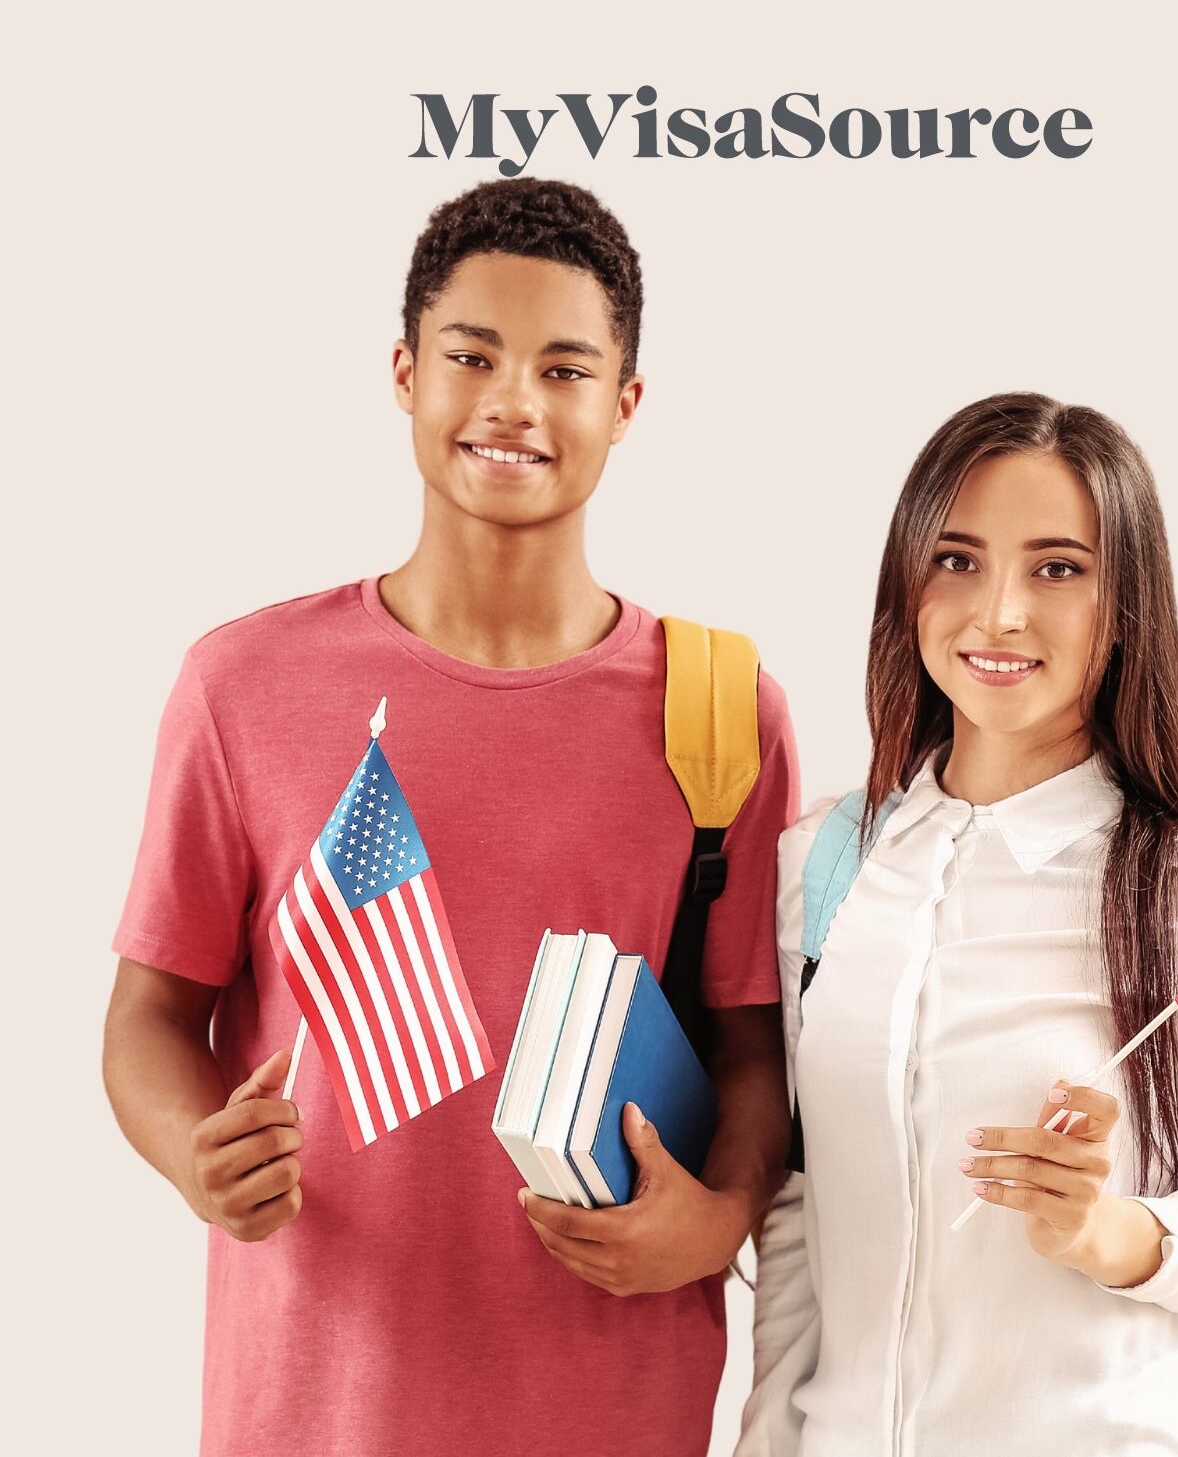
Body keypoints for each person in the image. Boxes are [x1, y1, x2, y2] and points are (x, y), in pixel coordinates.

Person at [104, 177, 798, 1457]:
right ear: (406, 372)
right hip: (311, 1406)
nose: (513, 402)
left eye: (565, 368)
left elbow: (753, 1043)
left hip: (613, 1401)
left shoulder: (724, 707)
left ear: (624, 406)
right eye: (472, 355)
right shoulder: (241, 684)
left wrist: (721, 1213)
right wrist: (195, 1153)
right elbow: (151, 1014)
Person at [739, 392, 1178, 1456]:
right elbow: (799, 1215)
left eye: (1058, 568)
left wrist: (1115, 1234)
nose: (999, 613)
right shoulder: (819, 861)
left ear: (1127, 604)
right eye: (957, 560)